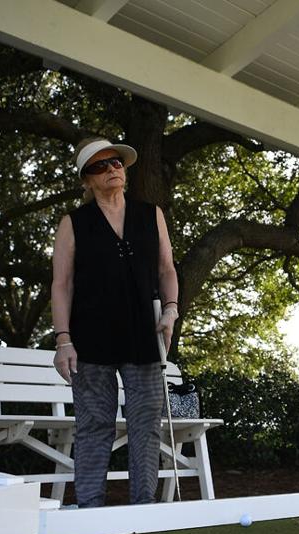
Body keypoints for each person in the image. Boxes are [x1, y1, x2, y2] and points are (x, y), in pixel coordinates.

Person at [51, 137, 179, 507]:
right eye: (99, 167)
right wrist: (63, 341)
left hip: (144, 335)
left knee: (145, 426)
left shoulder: (151, 214)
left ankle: (144, 509)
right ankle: (90, 510)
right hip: (90, 339)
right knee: (93, 426)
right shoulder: (73, 223)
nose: (111, 170)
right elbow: (62, 285)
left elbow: (167, 269)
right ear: (86, 180)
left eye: (116, 163)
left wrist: (171, 309)